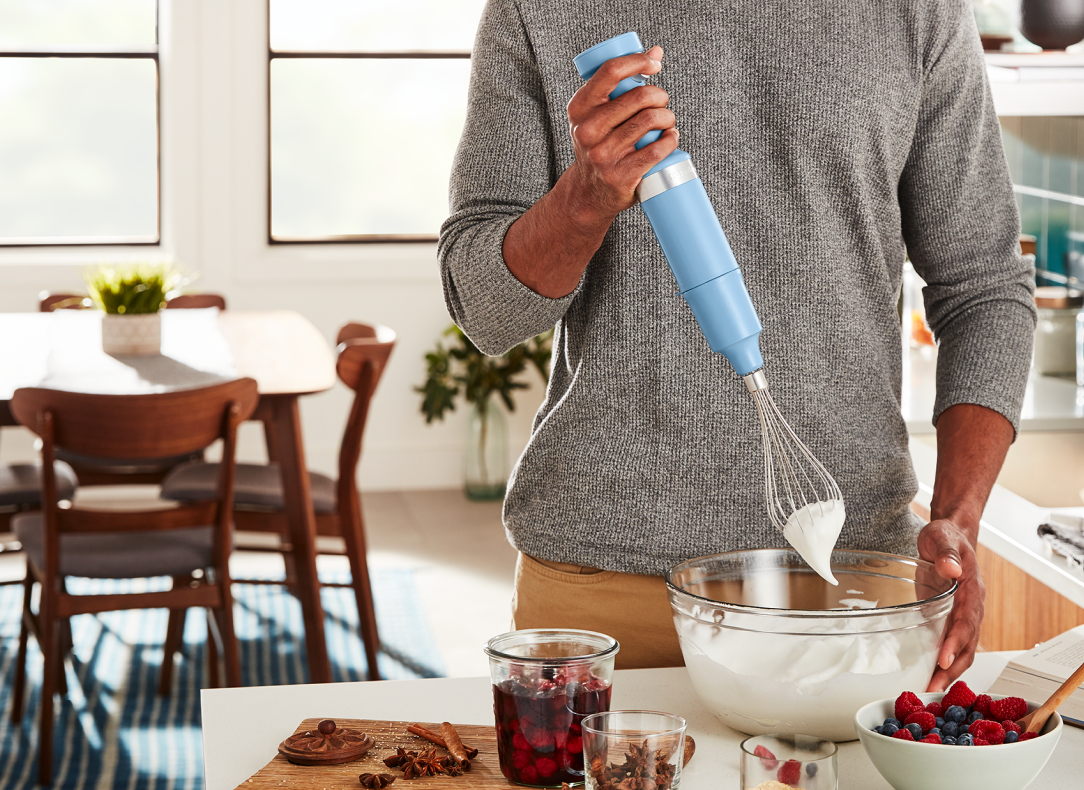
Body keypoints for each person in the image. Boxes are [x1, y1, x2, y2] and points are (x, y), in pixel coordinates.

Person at [438, 0, 1034, 688]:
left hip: (852, 594)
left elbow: (984, 285)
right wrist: (585, 197)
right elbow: (484, 309)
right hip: (607, 596)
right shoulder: (541, 10)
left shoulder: (916, 11)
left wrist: (958, 518)